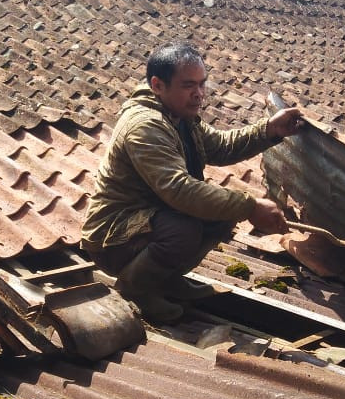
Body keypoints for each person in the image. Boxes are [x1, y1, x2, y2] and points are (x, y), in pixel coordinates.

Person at [81, 40, 306, 323]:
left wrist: (269, 130)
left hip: (149, 221)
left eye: (202, 84)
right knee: (184, 229)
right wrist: (250, 206)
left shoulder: (180, 116)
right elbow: (180, 190)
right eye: (189, 85)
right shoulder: (145, 126)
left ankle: (166, 281)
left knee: (221, 216)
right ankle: (134, 290)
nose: (199, 94)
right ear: (157, 85)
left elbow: (221, 146)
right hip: (113, 237)